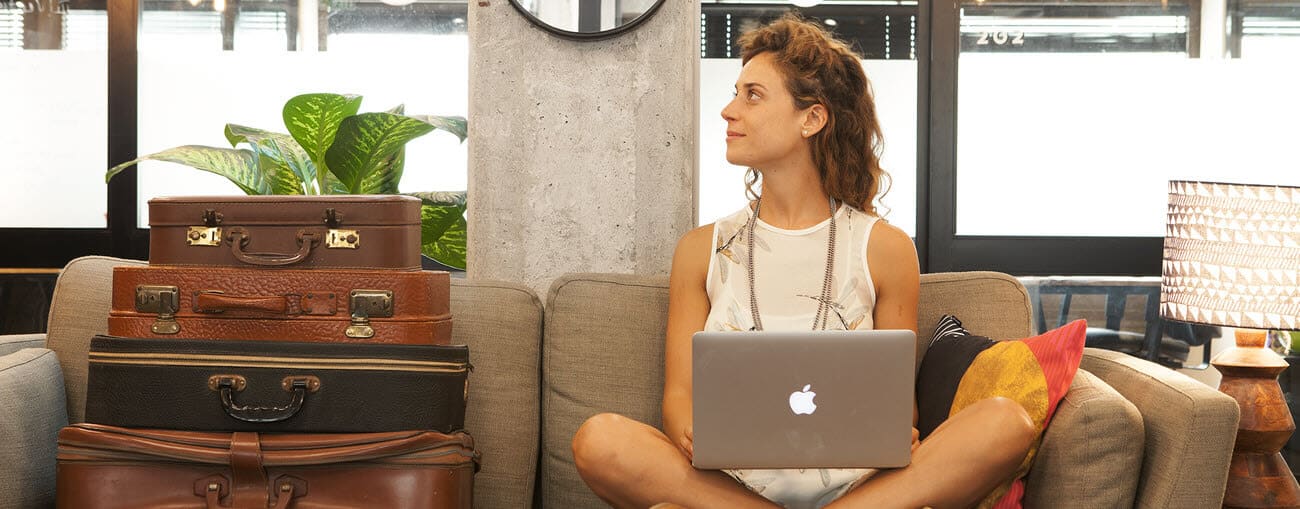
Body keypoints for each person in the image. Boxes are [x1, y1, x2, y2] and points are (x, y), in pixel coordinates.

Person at [571, 14, 1036, 509]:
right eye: (735, 92)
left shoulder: (886, 248)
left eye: (752, 95)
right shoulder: (699, 249)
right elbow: (679, 396)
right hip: (729, 489)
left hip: (862, 489)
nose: (728, 109)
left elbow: (898, 406)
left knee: (1007, 422)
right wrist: (690, 432)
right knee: (599, 440)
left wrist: (901, 430)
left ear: (811, 118)